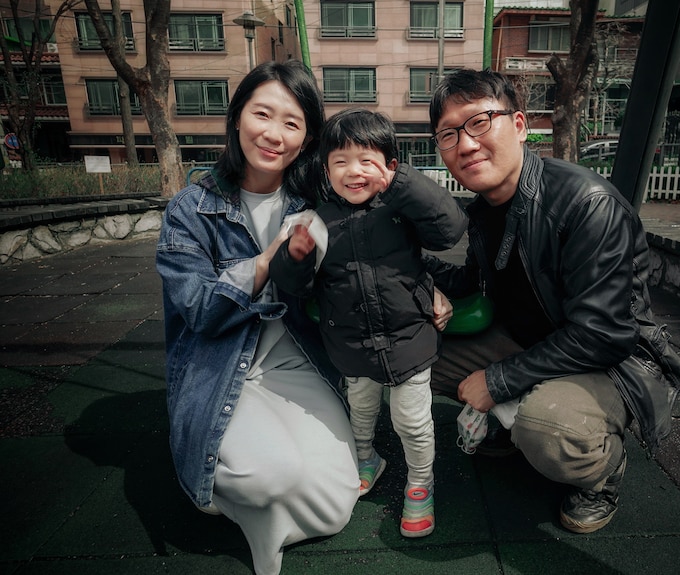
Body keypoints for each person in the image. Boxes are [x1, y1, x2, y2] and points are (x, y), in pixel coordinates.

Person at [422, 69, 680, 534]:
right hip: (535, 340)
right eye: (448, 134)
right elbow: (473, 279)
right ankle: (512, 425)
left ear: (521, 126)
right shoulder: (485, 210)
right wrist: (413, 274)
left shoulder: (587, 204)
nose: (465, 144)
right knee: (415, 351)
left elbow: (604, 334)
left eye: (480, 122)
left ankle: (602, 471)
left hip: (611, 362)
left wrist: (498, 380)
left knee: (550, 431)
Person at [155, 61, 359, 575]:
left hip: (296, 365)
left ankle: (259, 500)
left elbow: (375, 252)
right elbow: (200, 310)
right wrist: (270, 260)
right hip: (222, 367)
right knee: (273, 477)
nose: (273, 134)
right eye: (262, 114)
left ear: (308, 135)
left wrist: (430, 292)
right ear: (237, 117)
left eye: (292, 123)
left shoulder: (315, 200)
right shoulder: (191, 209)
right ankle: (241, 512)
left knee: (334, 500)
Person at [269, 108, 468, 538]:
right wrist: (295, 257)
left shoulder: (401, 208)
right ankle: (366, 458)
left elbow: (449, 228)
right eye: (340, 162)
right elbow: (297, 288)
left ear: (391, 167)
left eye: (367, 160)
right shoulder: (317, 221)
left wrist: (401, 186)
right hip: (352, 346)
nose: (353, 171)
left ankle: (420, 482)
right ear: (326, 169)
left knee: (411, 420)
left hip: (409, 339)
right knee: (360, 411)